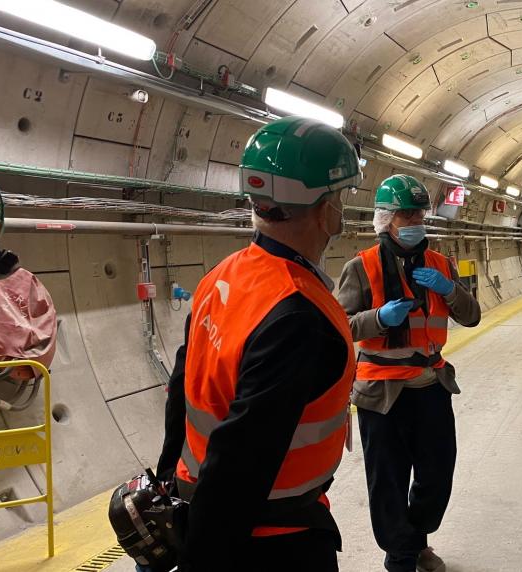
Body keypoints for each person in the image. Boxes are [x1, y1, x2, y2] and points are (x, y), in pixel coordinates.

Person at [156, 116, 361, 571]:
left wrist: (167, 481)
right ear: (324, 208)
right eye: (341, 196)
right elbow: (240, 461)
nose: (343, 208)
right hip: (270, 541)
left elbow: (180, 390)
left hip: (201, 506)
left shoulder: (222, 276)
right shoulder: (298, 314)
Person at [337, 174, 481, 572]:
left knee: (437, 473)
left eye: (419, 212)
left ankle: (414, 538)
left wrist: (450, 289)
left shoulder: (440, 264)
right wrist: (379, 318)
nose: (415, 220)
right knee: (389, 481)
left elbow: (471, 316)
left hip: (430, 383)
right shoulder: (361, 268)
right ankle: (402, 555)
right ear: (386, 219)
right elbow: (340, 325)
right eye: (406, 213)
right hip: (381, 391)